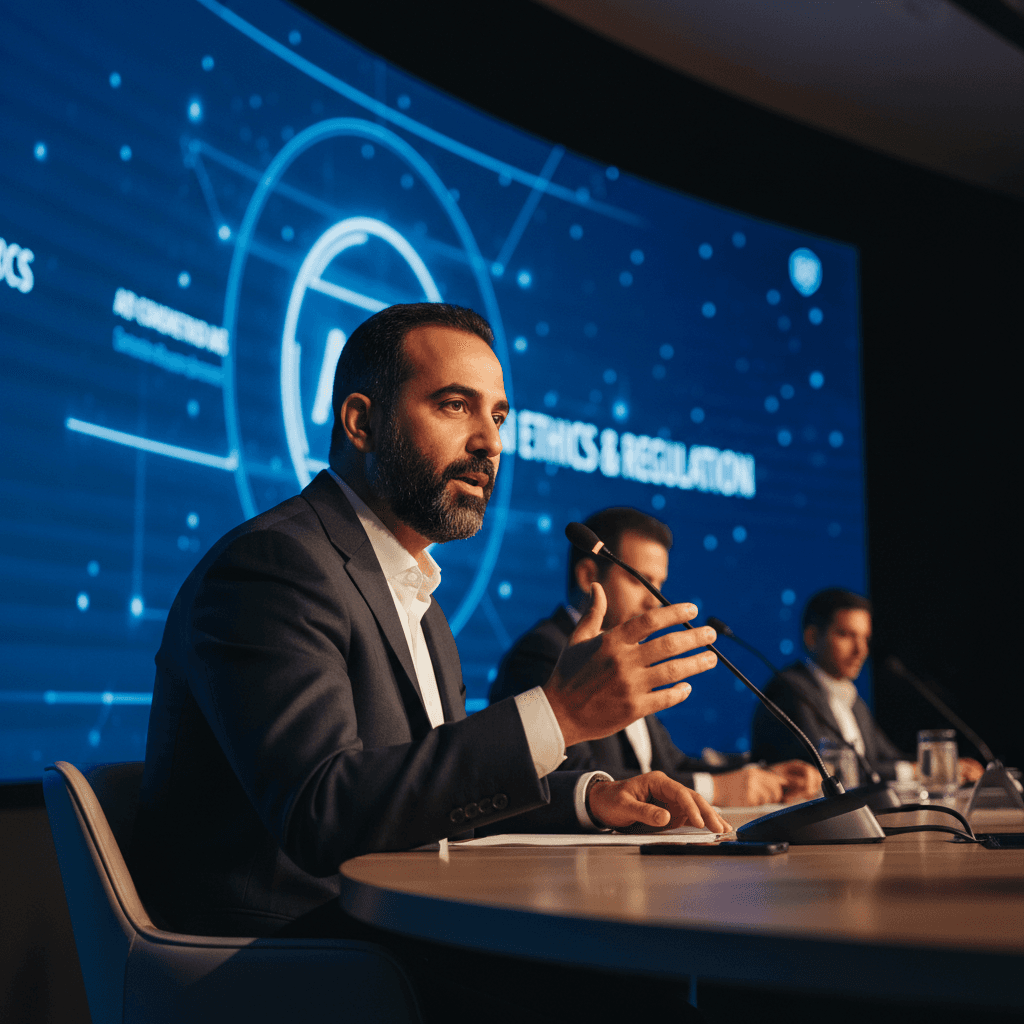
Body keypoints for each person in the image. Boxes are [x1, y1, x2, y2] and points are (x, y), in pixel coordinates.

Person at [133, 304, 726, 1018]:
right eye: (454, 406)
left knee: (653, 962)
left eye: (500, 419)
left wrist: (588, 797)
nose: (488, 443)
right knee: (635, 983)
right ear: (361, 422)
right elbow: (322, 812)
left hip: (382, 926)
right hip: (285, 957)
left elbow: (432, 800)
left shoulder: (421, 601)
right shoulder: (274, 566)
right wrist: (558, 714)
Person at [489, 507, 821, 806]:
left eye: (659, 584)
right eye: (640, 581)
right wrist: (716, 789)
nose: (655, 601)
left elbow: (669, 766)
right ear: (589, 576)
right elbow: (572, 778)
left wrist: (762, 774)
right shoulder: (544, 652)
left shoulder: (620, 657)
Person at [749, 588, 984, 784]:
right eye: (846, 635)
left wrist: (943, 765)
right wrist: (920, 771)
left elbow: (888, 758)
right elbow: (832, 771)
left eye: (865, 638)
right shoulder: (790, 690)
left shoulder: (851, 698)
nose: (861, 650)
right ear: (812, 637)